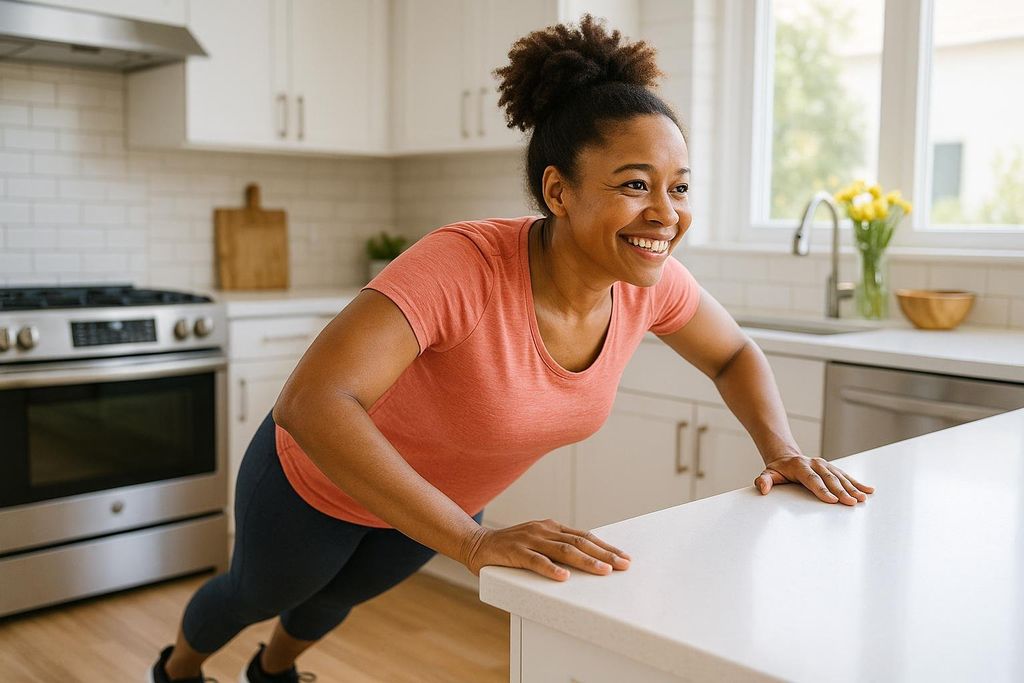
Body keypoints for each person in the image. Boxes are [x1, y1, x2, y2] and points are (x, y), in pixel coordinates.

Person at [149, 14, 874, 683]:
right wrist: (469, 543)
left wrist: (779, 449)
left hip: (435, 501)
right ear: (558, 191)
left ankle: (271, 673)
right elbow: (312, 402)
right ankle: (176, 669)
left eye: (679, 186)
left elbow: (732, 354)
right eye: (634, 184)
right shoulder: (463, 264)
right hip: (314, 482)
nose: (666, 212)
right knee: (260, 591)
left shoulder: (649, 283)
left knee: (330, 602)